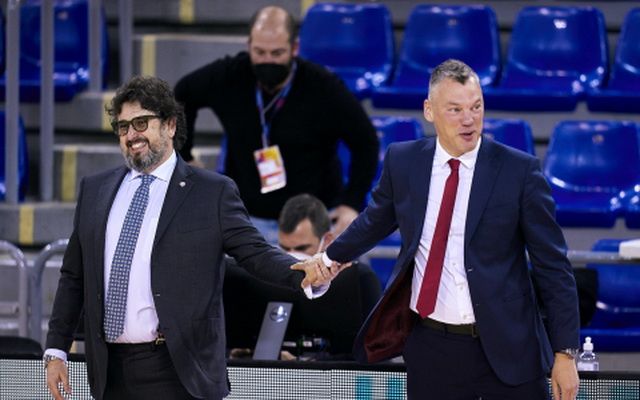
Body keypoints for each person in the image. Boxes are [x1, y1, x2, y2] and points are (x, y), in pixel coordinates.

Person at [43, 76, 329, 400]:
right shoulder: (95, 189)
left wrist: (304, 272)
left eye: (141, 123)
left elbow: (255, 253)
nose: (132, 135)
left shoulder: (212, 192)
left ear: (170, 125)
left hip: (179, 370)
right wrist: (56, 348)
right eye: (123, 127)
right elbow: (74, 275)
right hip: (110, 371)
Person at [320, 60, 580, 400]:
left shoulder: (519, 171)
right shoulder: (404, 161)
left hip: (508, 348)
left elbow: (553, 266)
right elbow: (373, 222)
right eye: (455, 109)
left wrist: (565, 353)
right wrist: (327, 260)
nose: (469, 119)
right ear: (429, 111)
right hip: (430, 348)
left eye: (476, 106)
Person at [174, 5, 379, 236]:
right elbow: (183, 94)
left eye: (277, 53)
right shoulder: (230, 76)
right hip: (246, 217)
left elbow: (366, 141)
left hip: (312, 220)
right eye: (260, 52)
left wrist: (351, 203)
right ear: (249, 45)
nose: (267, 60)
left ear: (294, 48)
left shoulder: (323, 87)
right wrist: (185, 155)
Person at [224, 193, 381, 357]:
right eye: (285, 248)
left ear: (327, 240)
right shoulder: (249, 278)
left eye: (302, 248)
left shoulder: (358, 281)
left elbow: (374, 355)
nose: (293, 256)